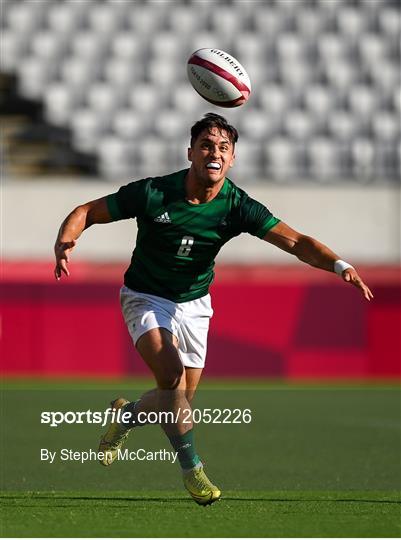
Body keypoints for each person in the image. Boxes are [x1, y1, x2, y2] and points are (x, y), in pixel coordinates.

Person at [54, 113, 373, 506]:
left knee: (179, 400)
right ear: (190, 152)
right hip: (146, 296)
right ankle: (193, 470)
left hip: (194, 303)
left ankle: (128, 415)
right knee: (169, 376)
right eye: (206, 145)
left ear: (233, 159)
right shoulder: (154, 192)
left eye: (223, 147)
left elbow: (294, 242)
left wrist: (340, 265)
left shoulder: (237, 205)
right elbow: (87, 210)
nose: (214, 152)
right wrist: (66, 240)